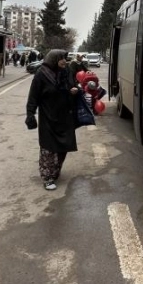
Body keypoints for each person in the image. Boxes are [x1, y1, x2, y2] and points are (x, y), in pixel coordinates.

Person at [25, 49, 80, 191]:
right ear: (53, 59)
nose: (64, 61)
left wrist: (74, 90)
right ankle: (47, 177)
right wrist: (30, 114)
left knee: (64, 146)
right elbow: (33, 97)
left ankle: (55, 171)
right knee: (48, 149)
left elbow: (72, 85)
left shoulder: (66, 72)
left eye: (65, 59)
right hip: (48, 117)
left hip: (65, 117)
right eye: (61, 58)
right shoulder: (41, 74)